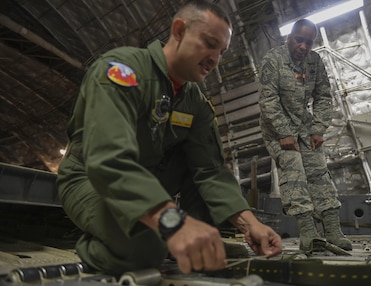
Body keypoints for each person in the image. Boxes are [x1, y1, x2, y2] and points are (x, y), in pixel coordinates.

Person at [56, 0, 282, 276]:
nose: (216, 59)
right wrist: (173, 222)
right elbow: (108, 159)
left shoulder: (195, 102)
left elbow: (210, 170)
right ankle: (115, 244)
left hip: (147, 182)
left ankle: (193, 239)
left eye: (222, 52)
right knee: (144, 248)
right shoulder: (123, 71)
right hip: (92, 179)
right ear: (179, 31)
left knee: (198, 167)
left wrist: (250, 224)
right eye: (210, 43)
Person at [258, 19, 352, 251]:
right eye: (299, 40)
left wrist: (318, 128)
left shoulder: (314, 62)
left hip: (304, 127)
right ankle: (309, 234)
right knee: (295, 175)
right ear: (289, 37)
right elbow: (268, 100)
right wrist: (283, 133)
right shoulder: (273, 60)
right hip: (277, 131)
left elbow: (323, 97)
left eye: (308, 42)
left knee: (319, 173)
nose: (303, 46)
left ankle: (333, 231)